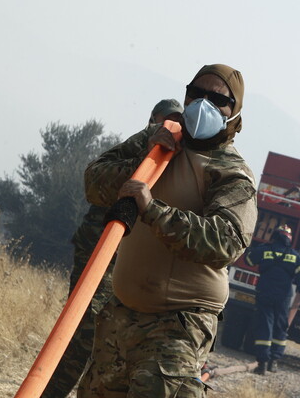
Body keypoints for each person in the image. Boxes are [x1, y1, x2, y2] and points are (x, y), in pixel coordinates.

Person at [77, 64, 257, 398]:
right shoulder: (158, 140)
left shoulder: (231, 173)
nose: (204, 104)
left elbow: (225, 242)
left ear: (234, 111)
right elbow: (94, 182)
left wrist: (152, 209)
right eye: (196, 93)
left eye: (218, 99)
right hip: (121, 315)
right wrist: (141, 163)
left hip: (179, 323)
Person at [41, 99, 184, 398]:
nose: (169, 127)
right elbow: (95, 180)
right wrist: (144, 162)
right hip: (101, 252)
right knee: (83, 335)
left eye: (176, 121)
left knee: (111, 344)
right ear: (152, 119)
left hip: (135, 266)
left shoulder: (183, 158)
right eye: (165, 120)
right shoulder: (142, 144)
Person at [245, 224, 300, 375]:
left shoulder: (264, 250)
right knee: (281, 327)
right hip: (283, 298)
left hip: (265, 293)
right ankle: (273, 362)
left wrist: (250, 247)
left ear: (274, 236)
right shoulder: (295, 256)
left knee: (265, 326)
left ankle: (262, 363)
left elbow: (248, 261)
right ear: (289, 239)